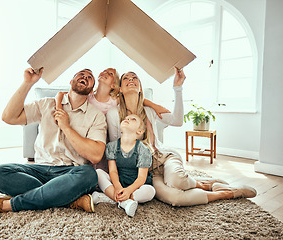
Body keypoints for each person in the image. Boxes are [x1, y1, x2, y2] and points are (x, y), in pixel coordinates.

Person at [105, 68, 257, 207]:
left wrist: (177, 88)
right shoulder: (114, 114)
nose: (131, 79)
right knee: (174, 198)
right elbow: (116, 147)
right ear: (120, 88)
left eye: (135, 77)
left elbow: (177, 121)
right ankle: (226, 193)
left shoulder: (150, 110)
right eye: (125, 78)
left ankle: (205, 184)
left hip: (163, 156)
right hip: (148, 169)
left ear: (140, 88)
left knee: (178, 181)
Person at [0, 68, 107, 214]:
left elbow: (95, 155)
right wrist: (27, 83)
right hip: (39, 169)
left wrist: (66, 127)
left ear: (91, 91)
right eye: (81, 74)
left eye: (90, 77)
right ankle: (68, 199)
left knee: (89, 175)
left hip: (70, 171)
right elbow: (9, 117)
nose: (85, 77)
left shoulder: (96, 115)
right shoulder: (47, 104)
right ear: (71, 82)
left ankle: (9, 205)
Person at [92, 114, 156, 217]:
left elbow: (141, 178)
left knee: (150, 191)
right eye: (126, 118)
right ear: (121, 129)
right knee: (98, 173)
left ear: (139, 131)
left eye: (133, 119)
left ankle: (109, 198)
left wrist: (129, 190)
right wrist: (117, 187)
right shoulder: (111, 147)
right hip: (119, 182)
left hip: (136, 186)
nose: (128, 119)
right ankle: (125, 203)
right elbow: (113, 171)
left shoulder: (143, 150)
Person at [55, 68, 171, 116]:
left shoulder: (115, 100)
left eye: (110, 74)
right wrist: (58, 109)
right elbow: (61, 94)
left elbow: (139, 100)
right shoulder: (88, 95)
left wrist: (155, 106)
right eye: (104, 71)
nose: (105, 73)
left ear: (114, 85)